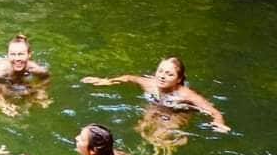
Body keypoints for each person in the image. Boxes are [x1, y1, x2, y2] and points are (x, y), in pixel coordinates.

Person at [81, 56, 231, 132]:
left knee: (162, 136)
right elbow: (129, 78)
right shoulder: (150, 83)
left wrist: (219, 122)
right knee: (142, 128)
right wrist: (106, 81)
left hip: (177, 112)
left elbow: (213, 111)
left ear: (179, 79)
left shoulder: (186, 95)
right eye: (160, 71)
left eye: (169, 74)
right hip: (155, 105)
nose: (162, 76)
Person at [0, 34, 50, 116]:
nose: (17, 59)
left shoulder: (36, 69)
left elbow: (45, 78)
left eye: (21, 54)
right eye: (13, 54)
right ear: (8, 55)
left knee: (27, 92)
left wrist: (41, 91)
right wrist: (4, 106)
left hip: (10, 78)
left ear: (29, 54)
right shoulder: (1, 70)